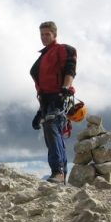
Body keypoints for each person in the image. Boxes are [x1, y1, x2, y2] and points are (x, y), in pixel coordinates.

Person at [30, 20, 77, 184]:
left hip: (59, 95)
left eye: (47, 34)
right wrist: (39, 111)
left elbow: (70, 68)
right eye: (41, 34)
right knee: (51, 133)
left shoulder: (63, 49)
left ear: (54, 34)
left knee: (52, 126)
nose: (44, 37)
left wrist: (64, 89)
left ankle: (58, 172)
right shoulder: (43, 55)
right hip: (46, 100)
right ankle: (60, 175)